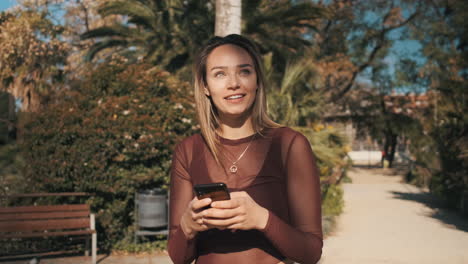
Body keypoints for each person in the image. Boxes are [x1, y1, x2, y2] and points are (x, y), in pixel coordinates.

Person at [168, 34, 323, 264]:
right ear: (205, 87)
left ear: (258, 80)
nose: (234, 83)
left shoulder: (290, 144)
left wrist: (262, 219)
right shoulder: (188, 151)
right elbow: (178, 257)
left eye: (244, 71)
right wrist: (188, 226)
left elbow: (311, 253)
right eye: (220, 74)